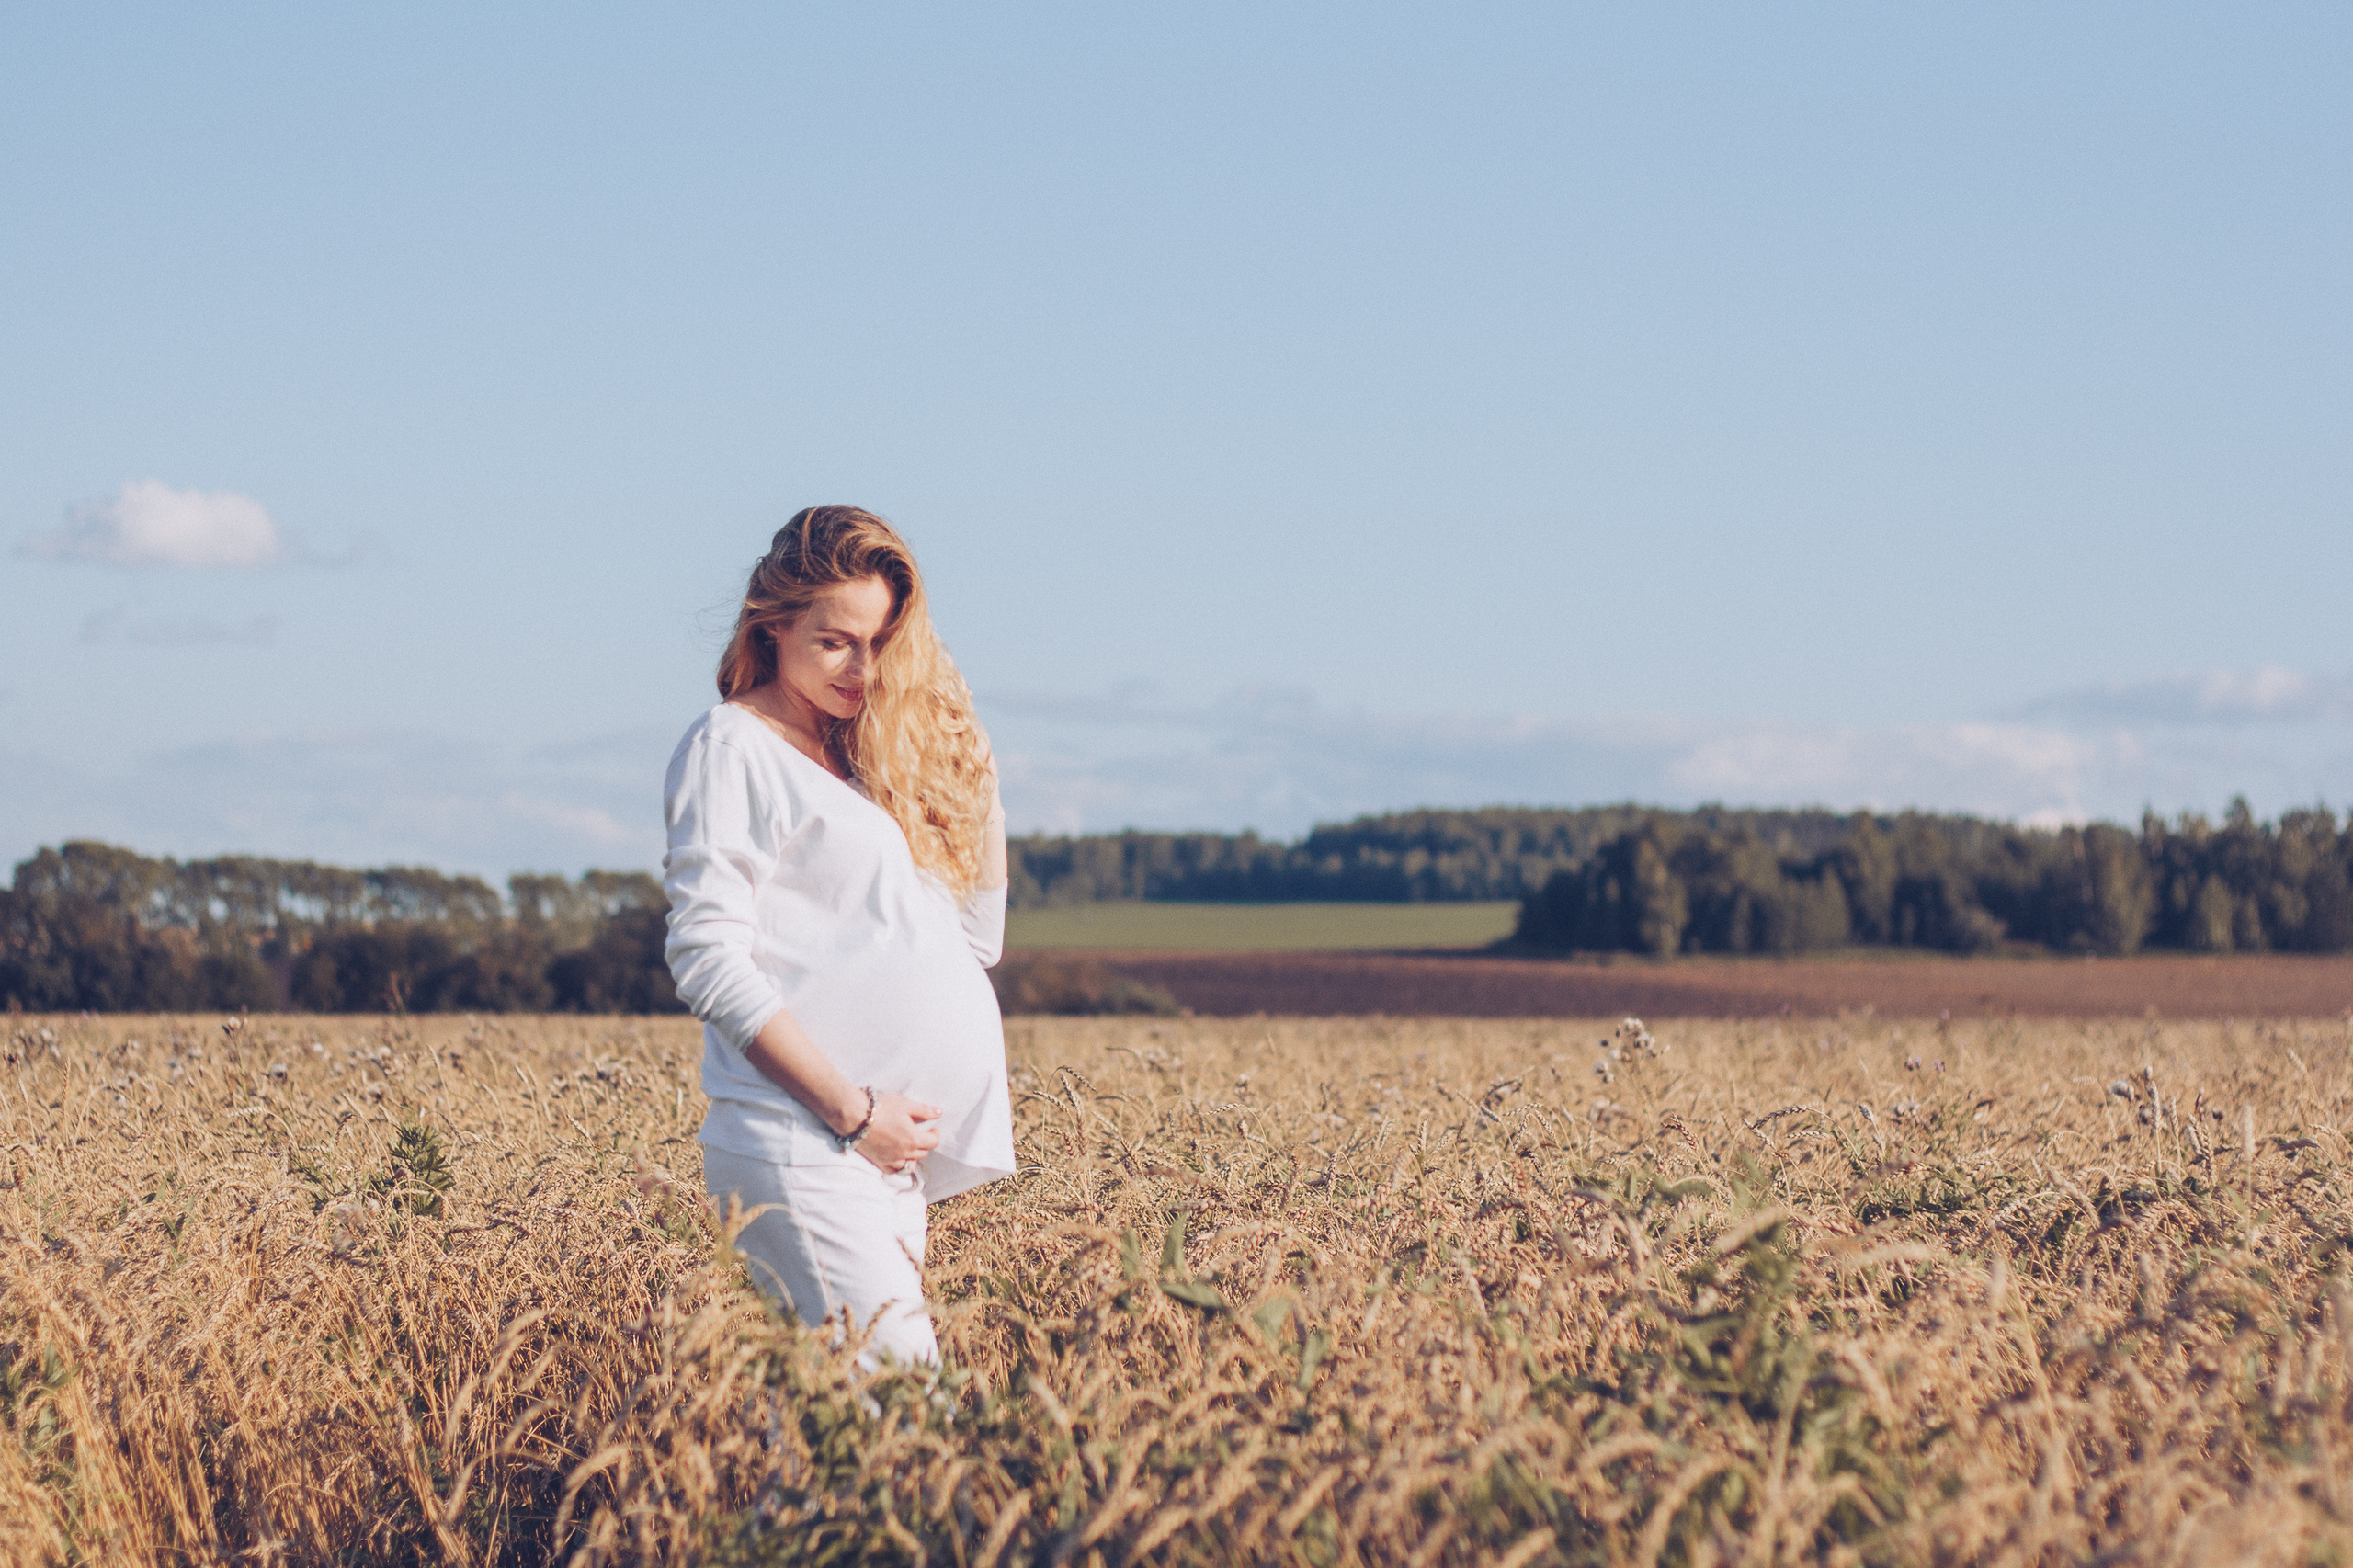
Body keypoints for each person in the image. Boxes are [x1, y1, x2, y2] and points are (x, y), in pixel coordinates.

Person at [662, 505, 1011, 1367]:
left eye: (883, 642)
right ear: (772, 627)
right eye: (835, 642)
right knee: (902, 1414)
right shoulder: (733, 746)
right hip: (808, 1142)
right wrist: (854, 1115)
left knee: (828, 1431)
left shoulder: (862, 769)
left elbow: (977, 939)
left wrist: (975, 767)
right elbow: (706, 957)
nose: (863, 669)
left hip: (881, 1160)